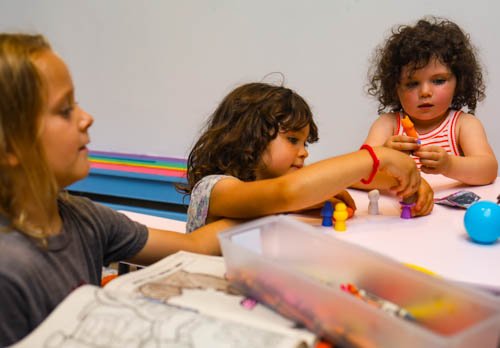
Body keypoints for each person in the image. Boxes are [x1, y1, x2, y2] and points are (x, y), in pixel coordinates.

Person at [0, 33, 238, 346]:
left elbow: (194, 245)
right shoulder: (9, 269)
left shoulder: (82, 217)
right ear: (9, 146)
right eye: (64, 109)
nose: (87, 118)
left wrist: (283, 215)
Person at [182, 82, 434, 232]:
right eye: (292, 140)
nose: (304, 151)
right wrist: (377, 157)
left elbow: (351, 179)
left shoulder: (277, 176)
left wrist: (407, 180)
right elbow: (286, 193)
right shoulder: (215, 189)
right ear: (246, 137)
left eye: (304, 142)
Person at [364, 17, 497, 185]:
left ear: (460, 81)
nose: (425, 92)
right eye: (412, 84)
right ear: (395, 87)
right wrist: (384, 156)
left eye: (439, 81)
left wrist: (449, 165)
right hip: (400, 210)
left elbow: (489, 171)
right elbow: (358, 171)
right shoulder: (387, 124)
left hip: (452, 211)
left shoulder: (463, 125)